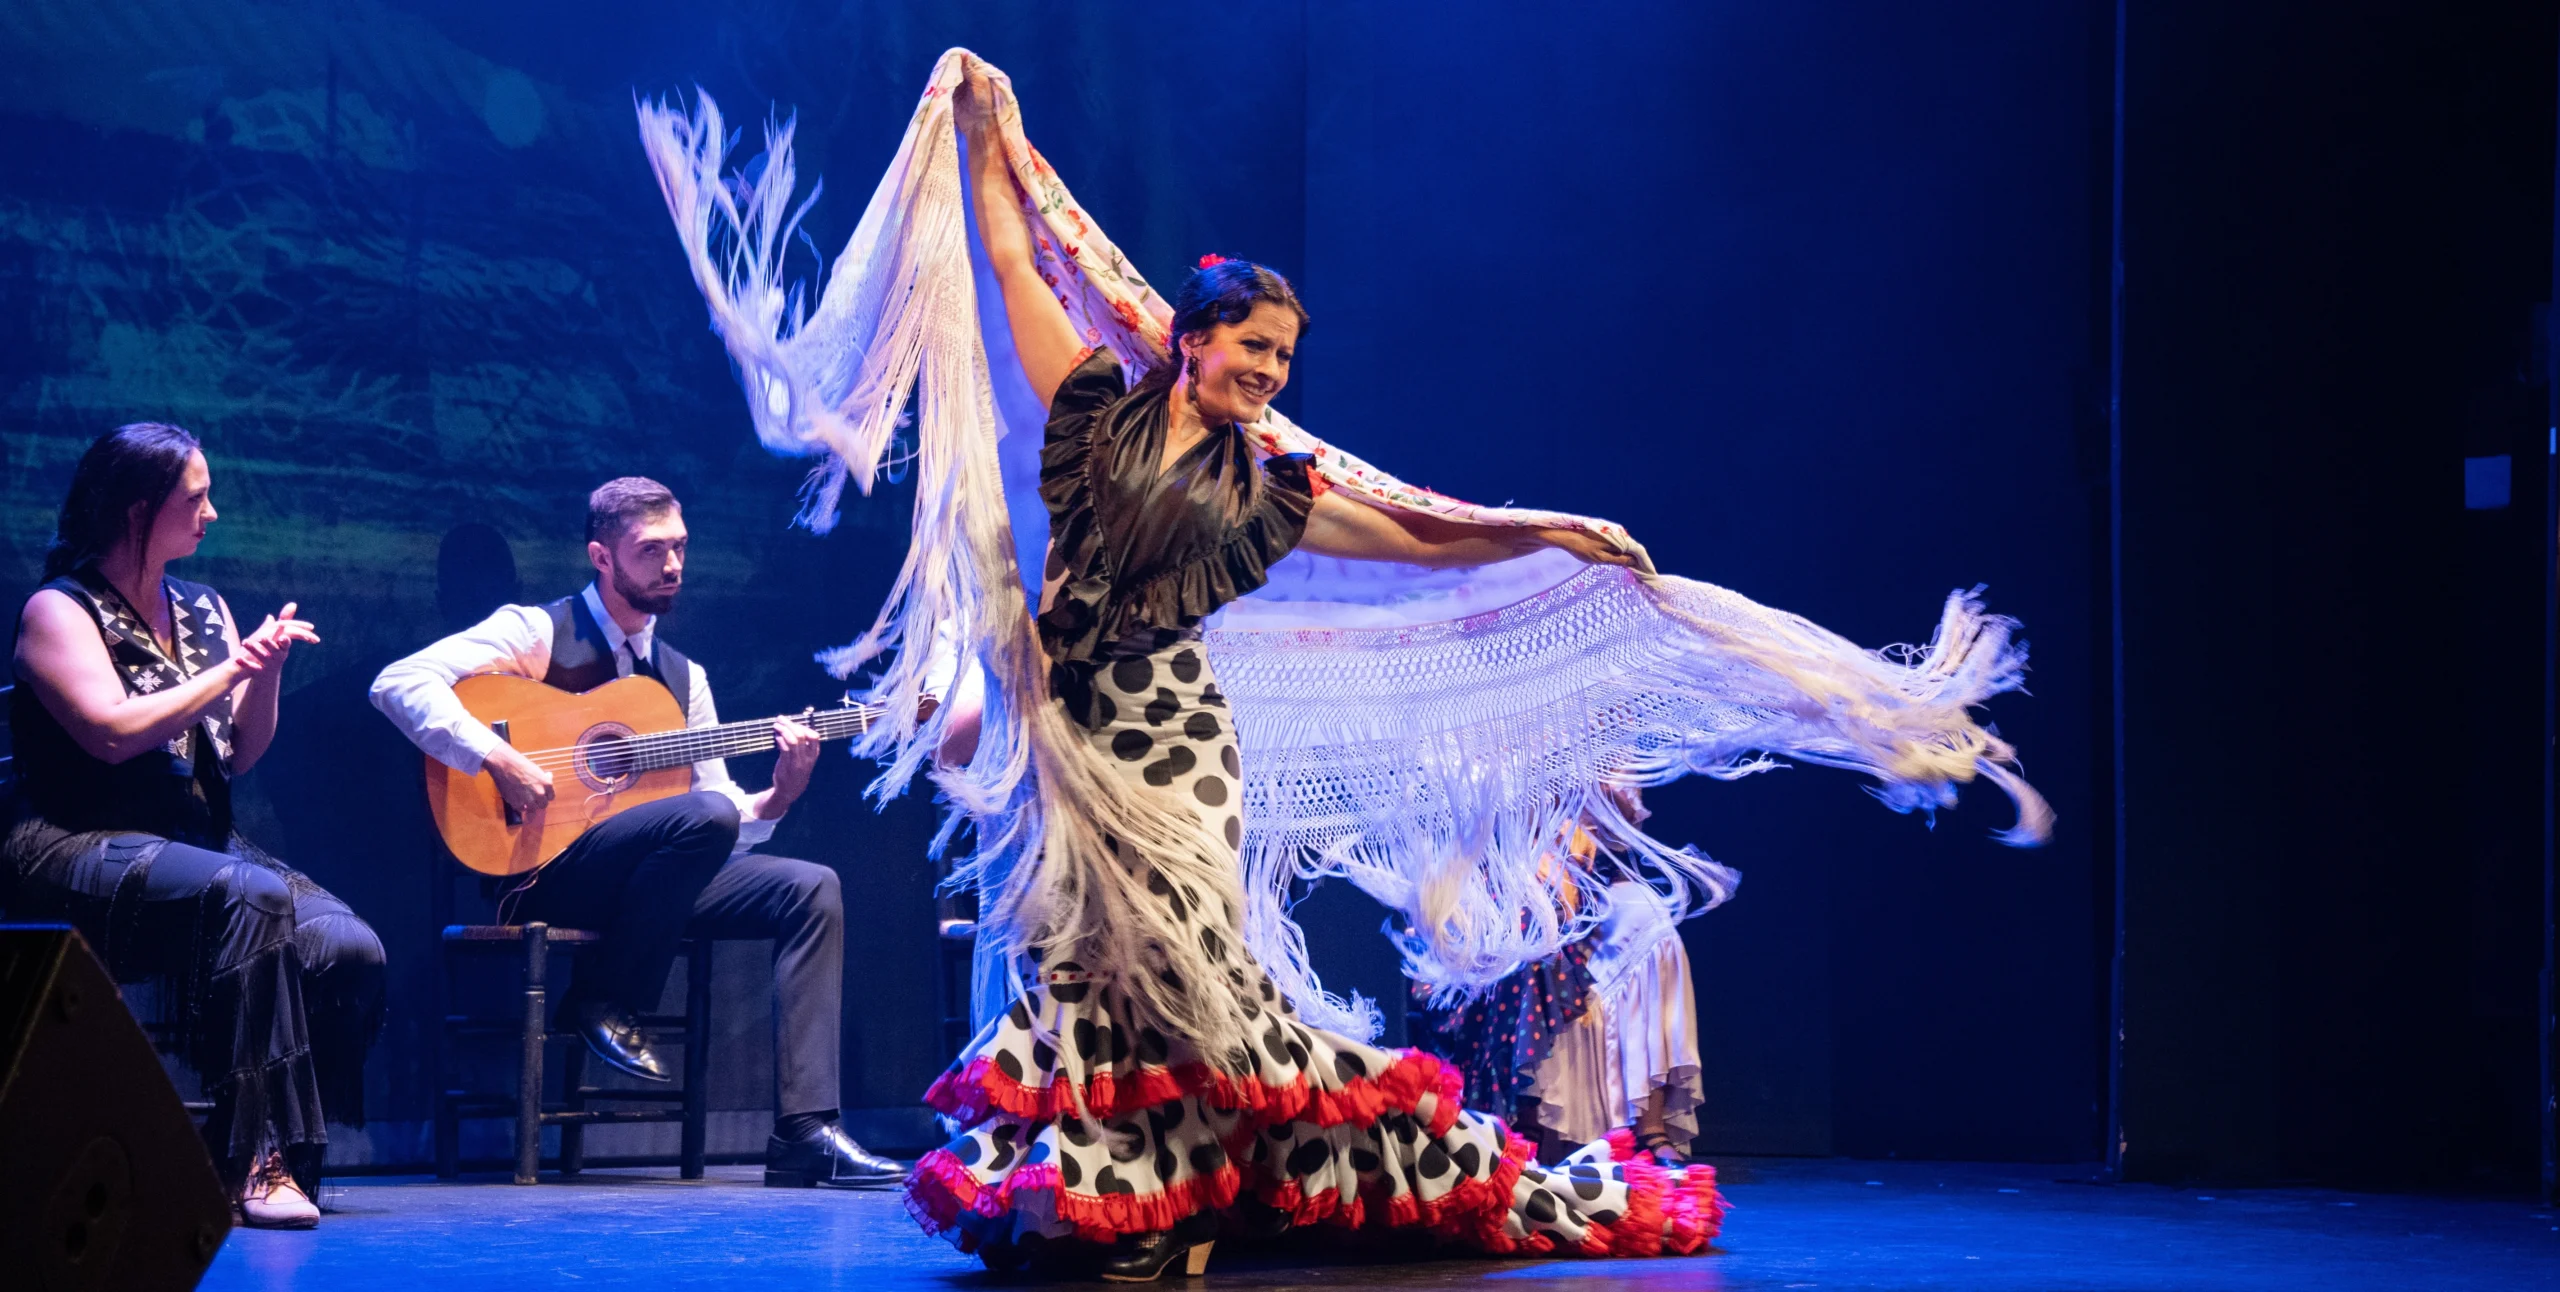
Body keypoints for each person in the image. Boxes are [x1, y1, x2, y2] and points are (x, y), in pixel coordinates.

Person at [639, 49, 2044, 1276]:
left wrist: (1548, 532)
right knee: (1091, 968)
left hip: (1174, 744)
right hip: (1080, 736)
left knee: (1178, 969)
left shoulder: (1269, 488)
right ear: (1190, 341)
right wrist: (985, 136)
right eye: (1252, 348)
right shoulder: (1092, 406)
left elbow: (1421, 536)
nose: (1269, 372)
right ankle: (1144, 1183)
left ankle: (1172, 1195)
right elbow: (1012, 266)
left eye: (1284, 358)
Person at [368, 477, 902, 1188]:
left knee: (811, 888)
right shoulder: (536, 632)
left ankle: (804, 1132)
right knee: (705, 818)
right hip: (547, 871)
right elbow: (398, 683)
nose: (673, 565)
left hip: (650, 884)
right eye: (652, 551)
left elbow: (718, 810)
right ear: (602, 557)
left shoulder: (684, 678)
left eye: (680, 547)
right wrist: (497, 757)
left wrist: (780, 793)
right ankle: (603, 998)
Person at [6, 423, 385, 1229]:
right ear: (137, 511)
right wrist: (232, 669)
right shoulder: (59, 610)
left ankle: (238, 1154)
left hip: (194, 841)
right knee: (251, 897)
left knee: (348, 947)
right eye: (196, 498)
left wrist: (263, 673)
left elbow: (238, 752)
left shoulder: (203, 607)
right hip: (78, 839)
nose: (212, 514)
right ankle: (258, 1160)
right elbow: (110, 733)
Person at [1413, 791, 1705, 1170]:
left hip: (1574, 891)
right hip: (1493, 881)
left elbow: (1612, 839)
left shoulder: (1572, 804)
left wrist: (1591, 800)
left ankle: (1649, 1127)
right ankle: (1525, 1125)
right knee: (1531, 936)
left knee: (1649, 921)